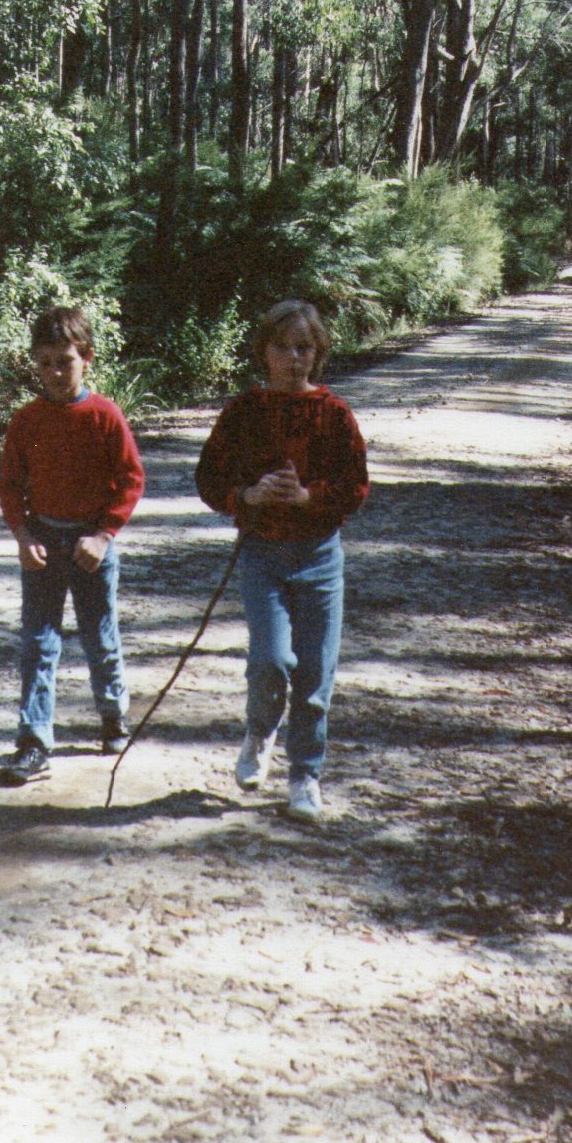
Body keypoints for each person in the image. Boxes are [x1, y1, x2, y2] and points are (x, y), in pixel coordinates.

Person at [195, 299, 369, 822]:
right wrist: (247, 495)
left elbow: (355, 486)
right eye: (283, 347)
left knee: (315, 674)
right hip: (262, 554)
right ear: (263, 351)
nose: (294, 358)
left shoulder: (334, 414)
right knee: (271, 662)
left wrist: (309, 497)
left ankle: (304, 776)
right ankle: (260, 729)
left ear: (319, 353)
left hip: (319, 556)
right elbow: (209, 478)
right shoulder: (244, 412)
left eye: (305, 347)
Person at [0, 306, 145, 785]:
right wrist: (22, 536)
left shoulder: (104, 416)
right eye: (45, 363)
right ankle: (34, 741)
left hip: (90, 544)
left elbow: (131, 479)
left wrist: (104, 535)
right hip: (42, 541)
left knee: (100, 636)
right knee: (39, 643)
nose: (56, 373)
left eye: (65, 361)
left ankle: (113, 714)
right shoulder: (27, 421)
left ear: (87, 358)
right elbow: (10, 485)